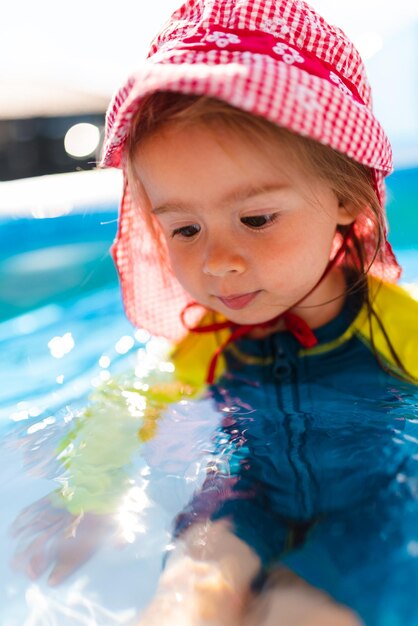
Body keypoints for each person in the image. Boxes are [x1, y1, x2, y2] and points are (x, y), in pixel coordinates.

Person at [15, 0, 418, 624]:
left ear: (344, 197)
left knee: (295, 611)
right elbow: (125, 407)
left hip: (380, 502)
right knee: (189, 593)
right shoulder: (208, 343)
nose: (218, 261)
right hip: (248, 497)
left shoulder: (397, 325)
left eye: (255, 219)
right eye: (183, 229)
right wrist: (85, 500)